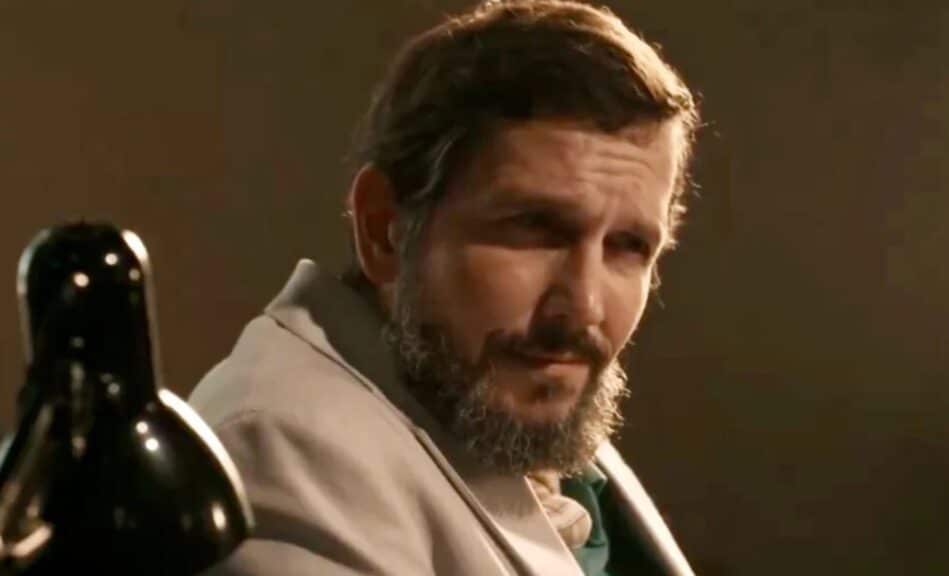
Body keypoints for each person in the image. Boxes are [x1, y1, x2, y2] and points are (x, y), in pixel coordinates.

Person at [190, 1, 701, 574]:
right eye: (533, 230)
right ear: (384, 228)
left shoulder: (503, 407)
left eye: (627, 247)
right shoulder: (285, 455)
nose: (582, 307)